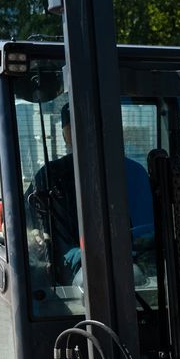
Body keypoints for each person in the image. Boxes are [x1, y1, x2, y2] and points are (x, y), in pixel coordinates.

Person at [24, 102, 157, 286]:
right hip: (72, 276)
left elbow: (148, 230)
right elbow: (25, 225)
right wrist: (35, 235)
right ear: (65, 136)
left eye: (88, 126)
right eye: (74, 129)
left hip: (133, 264)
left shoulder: (134, 174)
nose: (84, 135)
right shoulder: (50, 177)